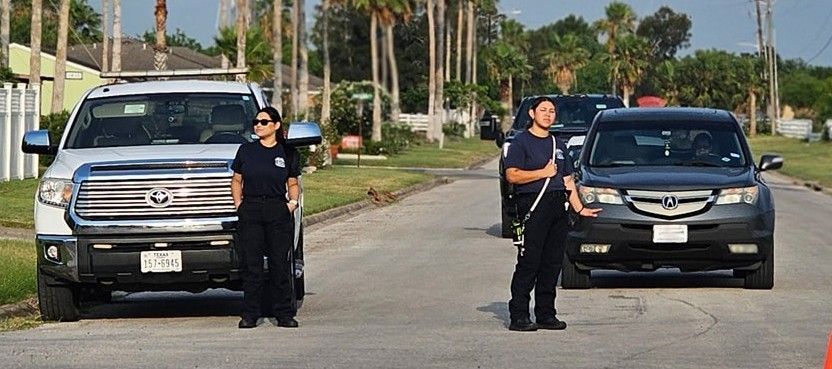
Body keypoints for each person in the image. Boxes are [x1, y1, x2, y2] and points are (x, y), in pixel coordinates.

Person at [503, 96, 602, 332]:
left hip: (557, 208)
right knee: (529, 263)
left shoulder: (558, 145)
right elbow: (512, 175)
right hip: (532, 206)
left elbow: (567, 180)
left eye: (552, 111)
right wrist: (542, 172)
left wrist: (580, 208)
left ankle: (546, 313)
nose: (548, 114)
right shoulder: (521, 142)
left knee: (552, 263)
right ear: (532, 113)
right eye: (543, 110)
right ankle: (519, 315)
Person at [231, 106, 301, 329]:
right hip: (251, 209)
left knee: (279, 264)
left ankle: (284, 314)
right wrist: (239, 205)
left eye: (263, 122)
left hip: (277, 209)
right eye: (256, 122)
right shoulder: (246, 151)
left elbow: (292, 183)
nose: (258, 126)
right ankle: (251, 314)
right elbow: (236, 180)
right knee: (252, 266)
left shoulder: (287, 153)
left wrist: (292, 204)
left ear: (276, 125)